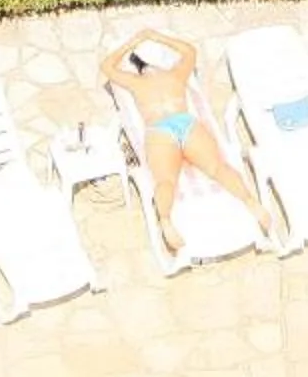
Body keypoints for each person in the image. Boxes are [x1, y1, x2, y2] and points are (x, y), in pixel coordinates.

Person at [99, 28, 264, 235]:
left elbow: (106, 66)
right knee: (216, 168)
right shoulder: (176, 74)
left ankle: (166, 221)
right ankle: (250, 202)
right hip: (186, 124)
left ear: (138, 67)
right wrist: (156, 37)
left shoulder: (136, 82)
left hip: (159, 131)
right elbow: (189, 51)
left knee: (166, 181)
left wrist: (132, 42)